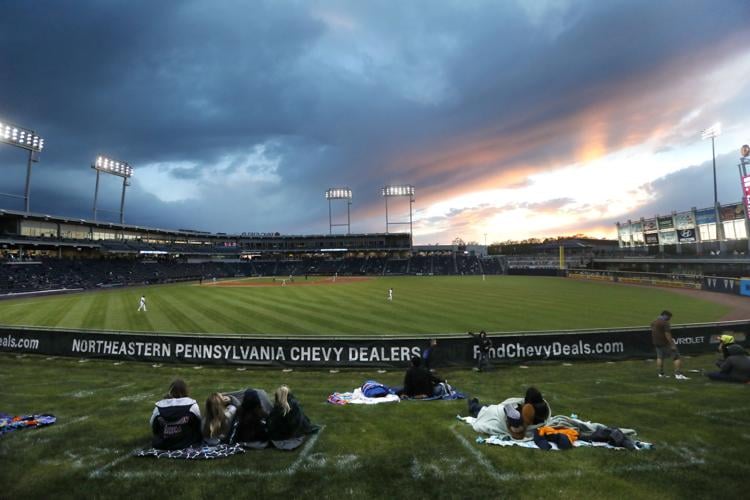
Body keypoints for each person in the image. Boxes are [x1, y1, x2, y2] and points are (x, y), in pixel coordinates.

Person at [150, 379, 202, 450]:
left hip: (163, 443)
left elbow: (153, 424)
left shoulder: (159, 405)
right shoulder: (192, 404)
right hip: (187, 442)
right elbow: (199, 423)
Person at [651, 310, 688, 379]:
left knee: (660, 357)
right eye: (669, 317)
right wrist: (672, 344)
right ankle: (678, 374)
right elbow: (667, 334)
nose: (669, 319)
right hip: (664, 343)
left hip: (656, 342)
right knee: (676, 357)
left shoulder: (654, 322)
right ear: (665, 316)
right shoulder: (665, 323)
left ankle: (661, 374)